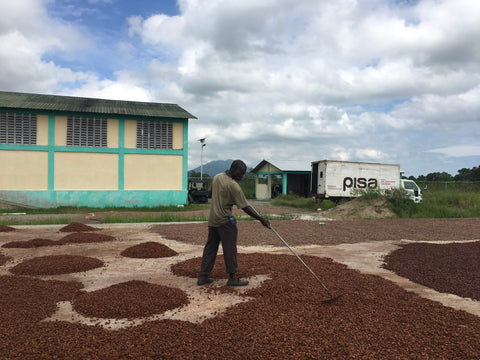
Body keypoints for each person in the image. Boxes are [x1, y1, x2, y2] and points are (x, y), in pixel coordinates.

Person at [197, 160, 271, 286]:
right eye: (241, 173)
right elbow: (246, 207)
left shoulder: (217, 177)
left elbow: (210, 194)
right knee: (230, 249)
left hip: (213, 220)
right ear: (235, 169)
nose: (242, 176)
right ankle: (232, 278)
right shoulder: (234, 186)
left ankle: (203, 276)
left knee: (210, 248)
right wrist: (261, 219)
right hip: (225, 221)